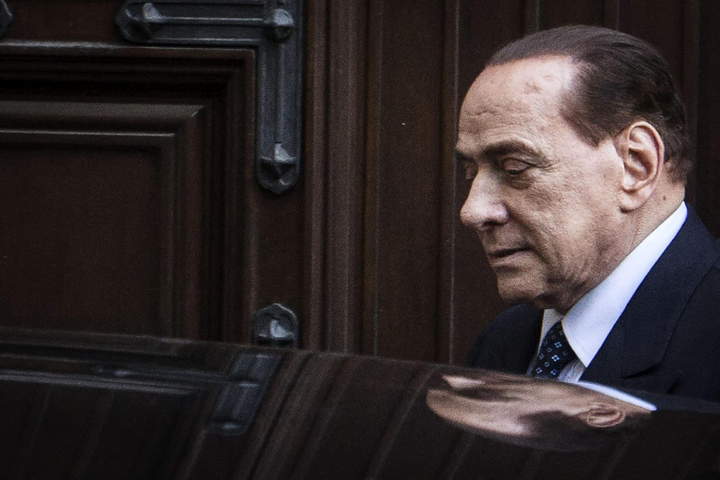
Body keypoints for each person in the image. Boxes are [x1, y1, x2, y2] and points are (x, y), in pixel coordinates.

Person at [458, 25, 720, 403]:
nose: (473, 211)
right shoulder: (503, 342)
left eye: (515, 168)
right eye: (471, 172)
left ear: (636, 165)